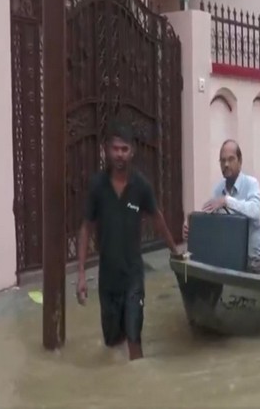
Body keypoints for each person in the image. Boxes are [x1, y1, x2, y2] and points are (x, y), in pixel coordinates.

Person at [76, 123, 182, 361]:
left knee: (134, 336)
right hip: (108, 279)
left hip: (133, 275)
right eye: (115, 149)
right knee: (113, 344)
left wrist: (175, 253)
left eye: (124, 149)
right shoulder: (97, 186)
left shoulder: (141, 186)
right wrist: (81, 274)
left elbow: (158, 219)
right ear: (106, 150)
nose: (120, 154)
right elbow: (85, 228)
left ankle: (138, 385)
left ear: (132, 151)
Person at [183, 139, 260, 272]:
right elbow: (212, 220)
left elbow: (255, 211)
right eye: (222, 160)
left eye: (231, 159)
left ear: (240, 161)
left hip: (252, 258)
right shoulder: (218, 189)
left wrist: (227, 201)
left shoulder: (251, 184)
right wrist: (191, 226)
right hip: (229, 257)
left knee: (248, 292)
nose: (226, 164)